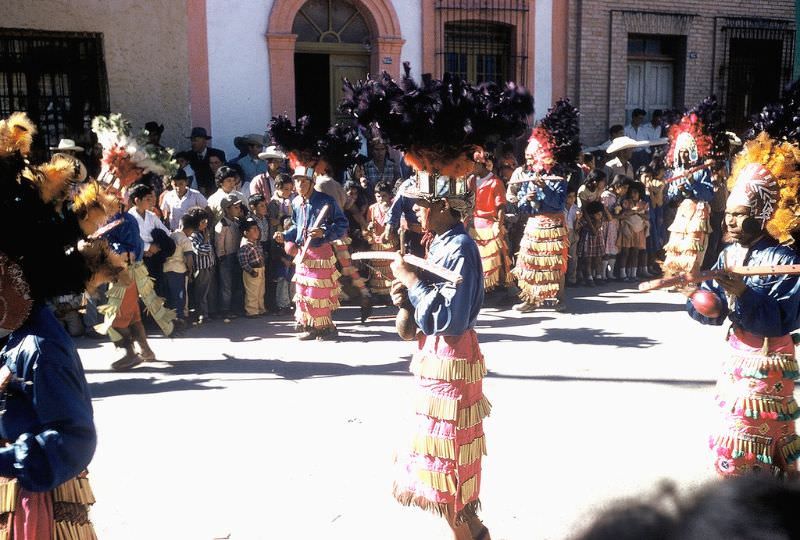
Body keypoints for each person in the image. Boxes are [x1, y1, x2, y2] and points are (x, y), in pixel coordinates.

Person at [0, 112, 111, 540]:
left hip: (31, 511)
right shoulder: (9, 339)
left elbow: (75, 438)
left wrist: (8, 459)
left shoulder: (41, 348)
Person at [686, 131, 800, 478]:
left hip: (769, 358)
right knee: (736, 428)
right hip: (737, 357)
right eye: (728, 215)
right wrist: (700, 300)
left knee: (757, 430)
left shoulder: (784, 258)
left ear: (762, 213)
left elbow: (781, 320)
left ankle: (756, 495)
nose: (729, 222)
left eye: (739, 215)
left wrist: (745, 294)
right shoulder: (728, 252)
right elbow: (717, 306)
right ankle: (744, 494)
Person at [273, 166, 348, 340]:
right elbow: (296, 227)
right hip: (302, 254)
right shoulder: (296, 203)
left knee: (318, 293)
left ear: (312, 182)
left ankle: (326, 327)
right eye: (297, 181)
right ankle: (310, 326)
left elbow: (342, 223)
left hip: (320, 254)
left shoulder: (326, 201)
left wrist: (325, 232)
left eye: (303, 181)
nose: (299, 184)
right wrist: (284, 235)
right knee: (303, 292)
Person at [512, 128, 568, 312]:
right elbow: (521, 205)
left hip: (553, 223)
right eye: (527, 157)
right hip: (534, 223)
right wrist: (525, 199)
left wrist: (546, 189)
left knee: (554, 263)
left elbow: (559, 203)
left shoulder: (558, 175)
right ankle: (530, 299)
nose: (528, 161)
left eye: (531, 157)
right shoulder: (527, 175)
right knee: (529, 262)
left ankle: (558, 299)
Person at [662, 113, 714, 278]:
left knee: (695, 243)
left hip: (698, 211)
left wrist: (692, 182)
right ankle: (676, 276)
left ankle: (692, 275)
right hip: (682, 212)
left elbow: (708, 194)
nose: (683, 155)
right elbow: (670, 195)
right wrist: (678, 189)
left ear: (693, 152)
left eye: (687, 152)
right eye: (681, 152)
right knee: (677, 243)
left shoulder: (702, 170)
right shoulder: (675, 171)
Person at [470, 149, 511, 292]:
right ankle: (483, 289)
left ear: (482, 164)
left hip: (490, 224)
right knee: (478, 258)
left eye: (473, 165)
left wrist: (499, 225)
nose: (471, 168)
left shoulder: (495, 182)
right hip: (475, 224)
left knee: (496, 257)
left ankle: (506, 288)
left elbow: (501, 207)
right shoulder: (472, 181)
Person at [215, 194, 244, 320]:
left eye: (239, 207)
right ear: (227, 209)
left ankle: (235, 308)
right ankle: (225, 309)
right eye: (235, 207)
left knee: (236, 283)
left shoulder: (237, 222)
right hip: (226, 257)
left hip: (237, 255)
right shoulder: (222, 225)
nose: (239, 209)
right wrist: (221, 257)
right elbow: (219, 243)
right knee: (226, 285)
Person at [364, 180, 395, 298]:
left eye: (384, 196)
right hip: (376, 242)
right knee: (377, 268)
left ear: (389, 196)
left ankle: (390, 292)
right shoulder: (372, 208)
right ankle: (378, 292)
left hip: (389, 242)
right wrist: (369, 226)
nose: (381, 199)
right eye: (378, 196)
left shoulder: (393, 207)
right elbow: (367, 223)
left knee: (389, 267)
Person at [162, 211, 196, 322]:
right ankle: (179, 319)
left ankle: (169, 319)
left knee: (168, 296)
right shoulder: (185, 240)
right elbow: (189, 258)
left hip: (166, 269)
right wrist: (190, 271)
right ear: (190, 229)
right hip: (178, 270)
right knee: (179, 296)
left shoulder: (171, 235)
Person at [188, 207, 216, 324]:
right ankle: (202, 314)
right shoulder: (194, 236)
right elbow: (200, 250)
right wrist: (205, 241)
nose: (205, 224)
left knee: (208, 291)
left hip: (209, 266)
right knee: (201, 292)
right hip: (201, 268)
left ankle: (208, 312)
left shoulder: (204, 233)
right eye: (202, 222)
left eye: (206, 221)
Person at [618, 182, 650, 281]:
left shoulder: (644, 204)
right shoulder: (626, 202)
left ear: (640, 193)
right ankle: (623, 274)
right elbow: (624, 214)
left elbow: (647, 216)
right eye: (631, 192)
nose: (633, 194)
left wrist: (638, 213)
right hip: (628, 229)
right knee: (625, 252)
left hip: (639, 229)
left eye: (635, 192)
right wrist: (635, 211)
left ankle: (633, 274)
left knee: (635, 252)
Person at [600, 175, 629, 280]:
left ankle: (610, 274)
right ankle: (602, 274)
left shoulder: (617, 197)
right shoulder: (606, 196)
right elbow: (604, 211)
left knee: (613, 250)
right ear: (617, 185)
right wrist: (616, 215)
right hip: (607, 225)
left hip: (614, 225)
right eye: (624, 187)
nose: (625, 190)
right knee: (605, 251)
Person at [239, 218, 267, 318]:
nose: (257, 231)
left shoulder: (257, 244)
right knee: (252, 292)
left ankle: (260, 309)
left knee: (260, 291)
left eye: (257, 229)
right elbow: (243, 262)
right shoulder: (245, 246)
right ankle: (251, 311)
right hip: (252, 271)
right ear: (246, 233)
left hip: (261, 269)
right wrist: (251, 271)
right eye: (253, 229)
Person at [186, 127, 226, 196]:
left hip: (214, 191)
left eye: (196, 140)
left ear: (204, 141)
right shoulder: (188, 156)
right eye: (192, 141)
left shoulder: (217, 154)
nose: (193, 143)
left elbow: (224, 172)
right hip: (194, 194)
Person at [576, 200, 606, 286]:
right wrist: (579, 219)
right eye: (598, 214)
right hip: (587, 240)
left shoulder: (600, 220)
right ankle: (589, 277)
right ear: (592, 214)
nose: (600, 215)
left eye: (601, 214)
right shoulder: (585, 220)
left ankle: (598, 276)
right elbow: (577, 227)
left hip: (598, 240)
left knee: (598, 259)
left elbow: (596, 228)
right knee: (587, 260)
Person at [564, 188, 579, 286]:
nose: (572, 199)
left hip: (572, 232)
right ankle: (562, 278)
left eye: (574, 197)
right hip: (562, 232)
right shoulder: (560, 207)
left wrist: (578, 219)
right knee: (563, 256)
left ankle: (572, 279)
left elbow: (576, 226)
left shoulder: (576, 208)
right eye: (569, 197)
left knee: (573, 257)